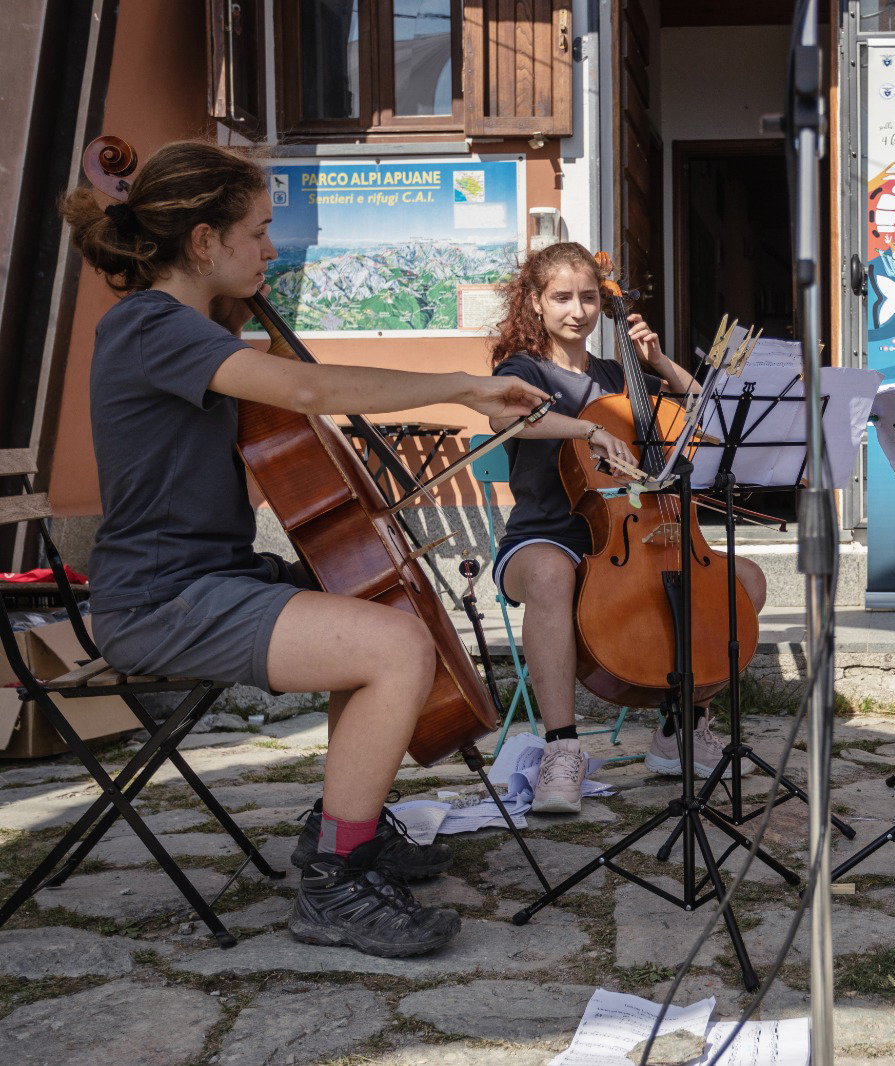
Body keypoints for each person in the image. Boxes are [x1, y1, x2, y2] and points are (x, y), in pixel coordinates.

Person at [62, 140, 551, 957]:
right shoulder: (149, 326)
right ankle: (334, 882)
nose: (270, 248)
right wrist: (463, 387)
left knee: (369, 604)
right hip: (158, 599)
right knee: (392, 644)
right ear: (203, 241)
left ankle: (343, 831)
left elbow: (279, 420)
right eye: (256, 231)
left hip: (211, 577)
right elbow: (307, 390)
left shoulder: (197, 334)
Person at [486, 243, 767, 814]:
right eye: (561, 297)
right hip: (544, 537)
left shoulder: (618, 375)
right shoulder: (522, 369)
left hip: (635, 538)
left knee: (745, 580)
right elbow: (502, 414)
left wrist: (659, 363)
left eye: (588, 297)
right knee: (549, 573)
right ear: (535, 303)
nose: (578, 309)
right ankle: (562, 749)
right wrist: (585, 431)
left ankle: (681, 726)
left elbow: (708, 423)